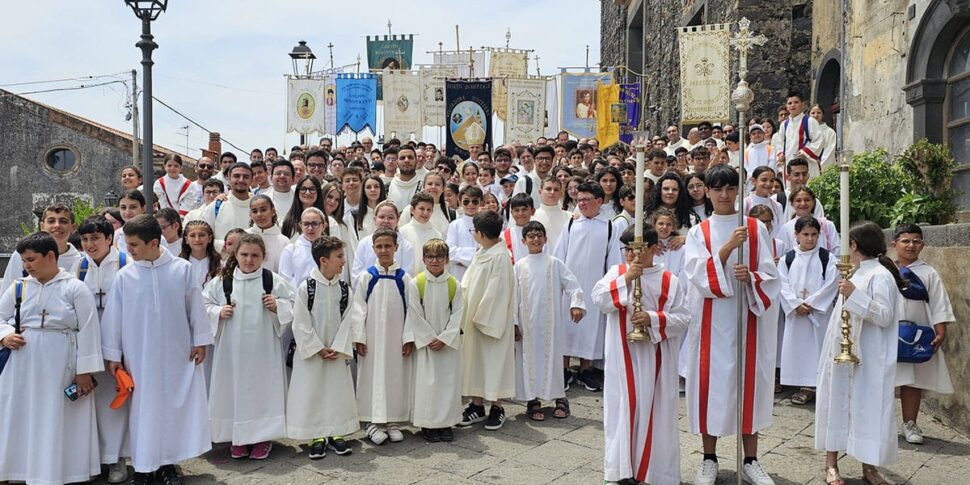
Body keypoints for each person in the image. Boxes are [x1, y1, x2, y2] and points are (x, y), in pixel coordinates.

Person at [683, 164, 780, 485]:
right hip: (711, 323)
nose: (724, 195)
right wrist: (724, 251)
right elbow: (696, 275)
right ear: (707, 192)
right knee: (711, 389)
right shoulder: (700, 232)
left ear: (738, 190)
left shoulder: (754, 228)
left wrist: (750, 277)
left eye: (729, 188)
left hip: (746, 321)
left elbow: (771, 277)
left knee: (747, 388)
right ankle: (708, 458)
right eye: (717, 189)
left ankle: (751, 459)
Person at [100, 215, 213, 485]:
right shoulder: (126, 275)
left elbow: (194, 307)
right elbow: (114, 317)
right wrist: (113, 356)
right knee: (144, 410)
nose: (129, 250)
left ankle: (167, 464)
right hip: (139, 355)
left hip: (176, 352)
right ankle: (143, 465)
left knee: (172, 408)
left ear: (154, 242)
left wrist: (200, 340)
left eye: (134, 245)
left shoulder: (181, 269)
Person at [0, 232, 103, 485]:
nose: (27, 266)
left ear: (50, 256)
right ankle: (18, 469)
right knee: (21, 415)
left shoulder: (75, 288)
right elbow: (0, 317)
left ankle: (56, 472)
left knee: (55, 416)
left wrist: (84, 371)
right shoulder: (19, 286)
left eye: (32, 259)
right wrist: (4, 336)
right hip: (23, 364)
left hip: (61, 364)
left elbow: (89, 329)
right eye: (24, 260)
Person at [592, 223, 690, 485]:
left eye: (637, 248)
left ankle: (656, 473)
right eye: (627, 249)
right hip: (622, 358)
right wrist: (625, 279)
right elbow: (599, 299)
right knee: (621, 409)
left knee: (655, 412)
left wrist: (653, 318)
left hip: (656, 358)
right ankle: (619, 470)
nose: (630, 255)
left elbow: (683, 318)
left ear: (654, 248)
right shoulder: (617, 272)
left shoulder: (670, 280)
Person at [815, 221, 904, 485]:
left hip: (869, 356)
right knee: (836, 403)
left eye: (847, 244)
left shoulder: (880, 275)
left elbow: (885, 316)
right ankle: (831, 465)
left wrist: (854, 295)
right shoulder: (855, 272)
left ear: (854, 245)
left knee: (870, 409)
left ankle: (870, 466)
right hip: (842, 353)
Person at [203, 234, 294, 460]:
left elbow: (293, 303)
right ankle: (237, 437)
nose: (249, 260)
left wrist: (278, 306)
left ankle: (263, 436)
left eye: (255, 255)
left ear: (264, 257)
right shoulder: (223, 281)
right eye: (244, 254)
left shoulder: (271, 280)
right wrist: (218, 312)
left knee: (262, 389)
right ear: (236, 255)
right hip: (232, 352)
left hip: (263, 349)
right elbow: (203, 304)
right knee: (233, 389)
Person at [286, 236, 357, 459]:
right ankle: (316, 435)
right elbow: (300, 321)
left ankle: (337, 432)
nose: (343, 261)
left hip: (336, 351)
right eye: (339, 257)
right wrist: (317, 347)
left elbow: (349, 320)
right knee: (313, 391)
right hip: (313, 354)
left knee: (336, 391)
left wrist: (337, 346)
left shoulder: (344, 289)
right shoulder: (306, 288)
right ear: (324, 260)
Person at [77, 216, 132, 483]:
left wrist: (120, 349)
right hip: (88, 343)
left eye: (95, 238)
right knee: (90, 404)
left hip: (118, 344)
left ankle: (117, 459)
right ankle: (93, 458)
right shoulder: (79, 266)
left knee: (115, 403)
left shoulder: (125, 264)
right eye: (85, 239)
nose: (90, 244)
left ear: (110, 238)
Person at [554, 182, 622, 392]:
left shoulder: (609, 227)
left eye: (586, 199)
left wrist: (608, 286)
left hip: (594, 286)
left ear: (599, 201)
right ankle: (564, 369)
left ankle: (586, 369)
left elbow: (613, 260)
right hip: (569, 286)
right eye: (579, 199)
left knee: (591, 327)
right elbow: (559, 255)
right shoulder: (571, 225)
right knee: (565, 326)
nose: (581, 203)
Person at [514, 221, 585, 421]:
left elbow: (573, 285)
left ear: (545, 238)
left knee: (552, 359)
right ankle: (533, 399)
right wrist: (513, 323)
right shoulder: (519, 266)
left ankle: (560, 398)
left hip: (550, 324)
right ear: (524, 240)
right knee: (528, 360)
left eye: (539, 235)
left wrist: (576, 304)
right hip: (527, 324)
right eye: (531, 236)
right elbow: (512, 296)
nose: (535, 239)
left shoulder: (554, 263)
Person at [348, 228, 413, 445]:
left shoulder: (404, 278)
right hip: (372, 339)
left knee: (396, 375)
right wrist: (359, 336)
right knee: (371, 376)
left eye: (388, 246)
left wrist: (408, 337)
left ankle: (393, 420)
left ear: (396, 247)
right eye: (379, 246)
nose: (384, 250)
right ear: (373, 248)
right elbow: (358, 308)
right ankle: (372, 422)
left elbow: (412, 310)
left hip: (396, 338)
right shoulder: (368, 277)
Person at [892, 224, 955, 444]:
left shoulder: (928, 272)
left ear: (923, 245)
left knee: (912, 379)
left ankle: (910, 422)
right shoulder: (885, 270)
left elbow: (939, 302)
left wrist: (941, 328)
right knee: (884, 378)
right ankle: (879, 423)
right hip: (888, 330)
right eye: (906, 241)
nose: (911, 246)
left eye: (916, 241)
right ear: (895, 244)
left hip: (917, 333)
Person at [456, 211, 517, 431]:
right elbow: (469, 281)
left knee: (492, 363)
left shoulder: (500, 258)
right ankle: (477, 404)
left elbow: (496, 293)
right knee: (475, 363)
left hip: (490, 320)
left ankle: (497, 407)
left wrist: (481, 317)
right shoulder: (483, 252)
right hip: (473, 318)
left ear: (480, 233)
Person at [405, 239, 465, 442]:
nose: (435, 261)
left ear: (447, 259)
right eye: (430, 257)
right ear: (423, 259)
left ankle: (446, 422)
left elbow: (458, 313)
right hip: (427, 345)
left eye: (440, 256)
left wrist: (445, 338)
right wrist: (430, 338)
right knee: (427, 385)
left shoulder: (454, 284)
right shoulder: (416, 283)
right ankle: (428, 424)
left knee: (448, 383)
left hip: (447, 345)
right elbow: (414, 314)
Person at [777, 216, 838, 405]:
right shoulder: (788, 258)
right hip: (797, 314)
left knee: (818, 347)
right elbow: (782, 284)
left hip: (819, 313)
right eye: (805, 234)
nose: (810, 239)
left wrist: (810, 303)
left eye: (814, 234)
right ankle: (802, 384)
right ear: (796, 235)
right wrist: (795, 304)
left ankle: (815, 386)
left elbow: (831, 284)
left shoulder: (827, 257)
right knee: (798, 349)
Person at [2, 202, 83, 291]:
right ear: (42, 226)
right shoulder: (22, 255)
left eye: (63, 221)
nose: (57, 225)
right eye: (51, 221)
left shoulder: (81, 260)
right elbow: (8, 290)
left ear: (73, 227)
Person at [351, 201, 415, 281]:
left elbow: (407, 276)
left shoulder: (406, 246)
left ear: (397, 220)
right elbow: (356, 275)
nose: (386, 221)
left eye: (390, 217)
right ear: (375, 219)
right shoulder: (364, 243)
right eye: (382, 217)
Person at [780, 186, 839, 255]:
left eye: (807, 200)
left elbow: (837, 252)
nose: (803, 203)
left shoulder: (827, 226)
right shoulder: (786, 229)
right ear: (792, 203)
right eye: (798, 200)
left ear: (813, 202)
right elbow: (782, 254)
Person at [777, 92, 823, 177]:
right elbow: (779, 143)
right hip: (789, 164)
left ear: (802, 104)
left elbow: (819, 141)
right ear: (787, 106)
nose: (792, 105)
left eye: (796, 102)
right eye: (790, 103)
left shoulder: (810, 121)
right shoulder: (784, 125)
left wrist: (804, 152)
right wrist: (781, 154)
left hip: (807, 163)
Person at [204, 162, 254, 241]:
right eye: (236, 176)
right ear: (228, 178)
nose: (241, 180)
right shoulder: (216, 207)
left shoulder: (258, 207)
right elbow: (205, 239)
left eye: (246, 177)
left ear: (252, 180)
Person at [399, 192, 444, 274]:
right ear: (412, 210)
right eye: (422, 209)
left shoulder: (437, 235)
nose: (425, 213)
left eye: (429, 210)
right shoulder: (402, 232)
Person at [446, 186, 484, 280]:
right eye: (466, 201)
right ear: (459, 202)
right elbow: (450, 252)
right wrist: (475, 252)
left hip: (481, 273)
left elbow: (487, 252)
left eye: (475, 201)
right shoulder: (454, 225)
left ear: (481, 202)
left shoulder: (486, 224)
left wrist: (461, 258)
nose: (470, 205)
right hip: (459, 275)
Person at [245, 195, 289, 273]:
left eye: (263, 210)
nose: (259, 214)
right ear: (250, 215)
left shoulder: (284, 241)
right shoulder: (244, 236)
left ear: (273, 211)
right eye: (254, 211)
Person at [532, 177, 572, 251]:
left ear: (560, 194)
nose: (552, 192)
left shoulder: (570, 217)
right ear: (540, 192)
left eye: (556, 190)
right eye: (548, 189)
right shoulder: (532, 216)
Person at [743, 167, 785, 238]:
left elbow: (780, 232)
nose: (768, 184)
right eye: (764, 180)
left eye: (771, 181)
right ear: (753, 181)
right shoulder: (744, 204)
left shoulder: (777, 206)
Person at [351, 175, 386, 241]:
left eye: (376, 187)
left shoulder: (389, 213)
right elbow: (353, 242)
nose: (373, 190)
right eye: (368, 187)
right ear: (364, 191)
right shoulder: (354, 215)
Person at [387, 145, 423, 210]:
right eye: (402, 158)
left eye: (410, 157)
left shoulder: (424, 186)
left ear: (416, 161)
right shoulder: (387, 188)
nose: (406, 160)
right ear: (397, 162)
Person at [503, 193, 535, 264]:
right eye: (517, 210)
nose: (520, 213)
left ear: (532, 211)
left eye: (524, 209)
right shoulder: (504, 236)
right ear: (511, 212)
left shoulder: (538, 234)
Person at [809, 104, 837, 170]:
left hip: (822, 168)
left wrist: (820, 167)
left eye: (819, 113)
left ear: (823, 115)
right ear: (809, 115)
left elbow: (829, 153)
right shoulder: (805, 131)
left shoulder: (830, 132)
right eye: (813, 113)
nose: (816, 115)